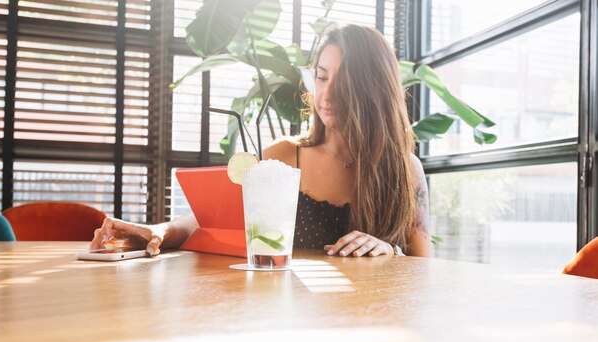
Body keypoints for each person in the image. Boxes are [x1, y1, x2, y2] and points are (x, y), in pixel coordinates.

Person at [90, 23, 430, 258]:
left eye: (345, 82)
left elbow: (424, 268)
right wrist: (159, 231)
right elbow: (208, 219)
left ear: (373, 89)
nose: (327, 95)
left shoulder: (406, 171)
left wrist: (390, 250)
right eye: (322, 78)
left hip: (375, 328)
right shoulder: (284, 156)